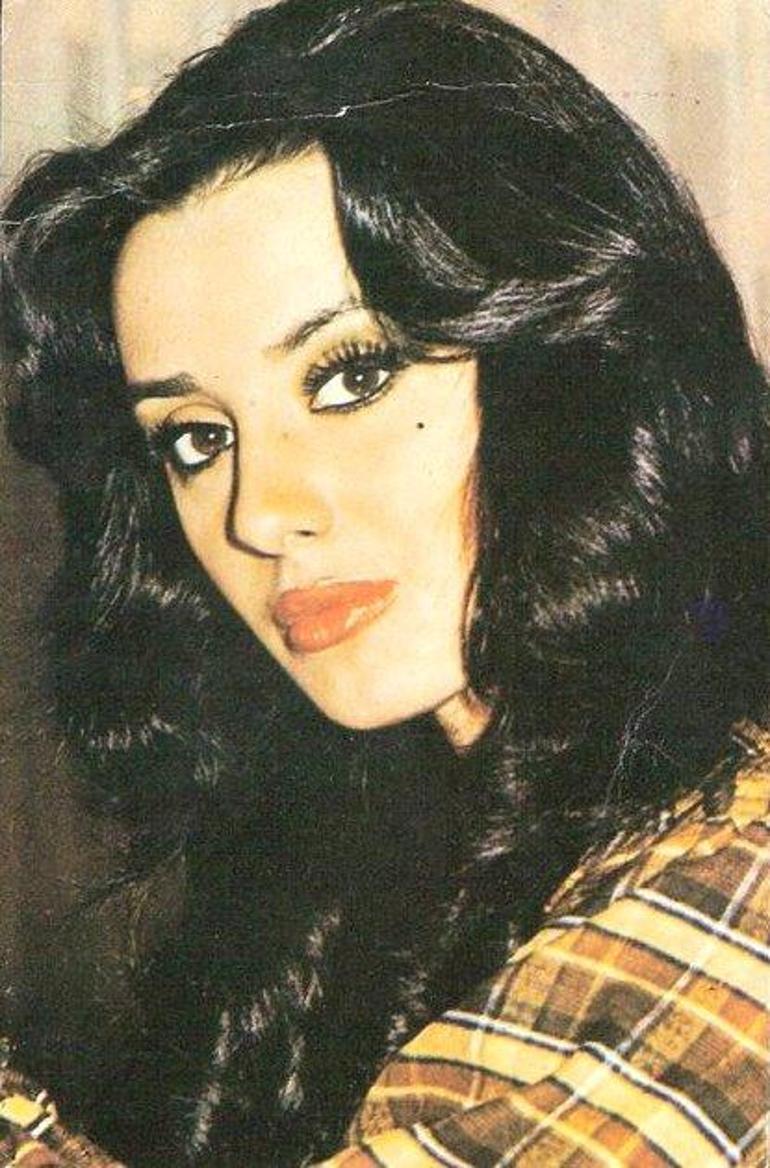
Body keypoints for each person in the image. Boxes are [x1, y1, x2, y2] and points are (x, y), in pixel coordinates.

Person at [1, 1, 768, 1164]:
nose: (259, 513)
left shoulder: (734, 873)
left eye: (350, 376)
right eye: (195, 437)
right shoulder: (411, 848)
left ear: (569, 364)